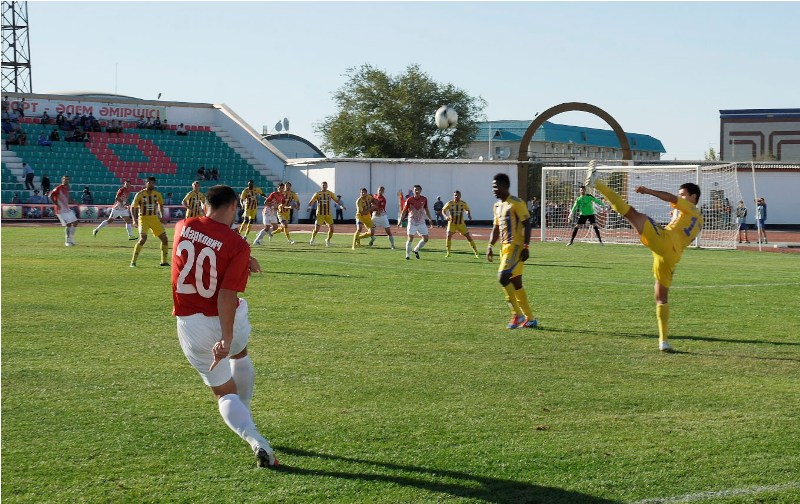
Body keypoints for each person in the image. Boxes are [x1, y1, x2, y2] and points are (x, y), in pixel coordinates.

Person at [171, 184, 279, 469]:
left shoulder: (182, 226)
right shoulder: (237, 243)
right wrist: (227, 338)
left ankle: (255, 439)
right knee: (239, 354)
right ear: (233, 205)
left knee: (224, 393)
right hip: (227, 320)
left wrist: (243, 260)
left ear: (205, 204)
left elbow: (203, 249)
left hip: (191, 325)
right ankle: (246, 411)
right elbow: (226, 294)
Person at [584, 161, 703, 352]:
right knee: (661, 298)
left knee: (632, 213)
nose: (679, 197)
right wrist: (675, 215)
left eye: (683, 195)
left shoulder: (689, 207)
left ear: (693, 197)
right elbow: (683, 228)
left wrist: (648, 190)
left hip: (665, 241)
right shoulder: (698, 219)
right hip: (671, 257)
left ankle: (596, 183)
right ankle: (663, 341)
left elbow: (669, 197)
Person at [487, 173, 538, 329]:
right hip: (504, 248)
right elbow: (496, 228)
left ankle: (517, 314)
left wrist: (526, 247)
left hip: (516, 247)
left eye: (496, 186)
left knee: (502, 277)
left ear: (505, 186)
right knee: (516, 283)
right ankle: (530, 319)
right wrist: (490, 246)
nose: (493, 189)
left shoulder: (516, 203)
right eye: (492, 187)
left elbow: (527, 224)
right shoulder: (497, 206)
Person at [130, 176, 169, 267]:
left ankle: (164, 261)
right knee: (143, 239)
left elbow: (160, 204)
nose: (151, 184)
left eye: (153, 183)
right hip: (143, 218)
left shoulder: (157, 194)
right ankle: (133, 262)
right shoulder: (140, 194)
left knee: (164, 239)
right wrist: (134, 219)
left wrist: (162, 216)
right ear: (146, 183)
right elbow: (133, 207)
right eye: (149, 183)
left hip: (154, 218)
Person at [399, 184, 432, 260]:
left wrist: (430, 218)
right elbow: (404, 210)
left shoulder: (424, 199)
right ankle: (407, 255)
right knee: (410, 238)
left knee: (426, 238)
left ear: (421, 190)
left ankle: (416, 249)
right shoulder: (409, 200)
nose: (417, 191)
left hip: (421, 222)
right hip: (412, 222)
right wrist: (400, 219)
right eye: (415, 190)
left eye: (418, 189)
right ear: (413, 191)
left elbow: (426, 209)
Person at [442, 190, 479, 258]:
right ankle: (448, 252)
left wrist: (468, 214)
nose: (456, 196)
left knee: (468, 236)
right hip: (452, 223)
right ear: (453, 196)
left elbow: (467, 210)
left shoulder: (463, 203)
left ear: (460, 196)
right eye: (455, 195)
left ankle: (476, 252)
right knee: (448, 235)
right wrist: (446, 216)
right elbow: (443, 210)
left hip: (461, 224)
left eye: (458, 195)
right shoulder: (450, 203)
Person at [308, 181, 345, 246]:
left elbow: (336, 200)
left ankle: (327, 240)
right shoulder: (317, 194)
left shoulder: (330, 193)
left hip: (328, 214)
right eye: (323, 185)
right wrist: (309, 206)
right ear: (321, 186)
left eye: (325, 185)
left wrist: (341, 206)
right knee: (316, 229)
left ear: (327, 186)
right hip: (320, 214)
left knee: (332, 229)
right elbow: (311, 202)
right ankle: (312, 238)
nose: (324, 186)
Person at [49, 175, 79, 246]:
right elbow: (50, 196)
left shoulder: (67, 188)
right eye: (65, 179)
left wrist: (75, 202)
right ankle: (67, 241)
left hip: (67, 209)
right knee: (68, 224)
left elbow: (68, 198)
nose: (66, 180)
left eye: (67, 179)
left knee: (75, 222)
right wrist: (56, 204)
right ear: (62, 180)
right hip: (60, 210)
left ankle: (71, 239)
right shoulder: (58, 188)